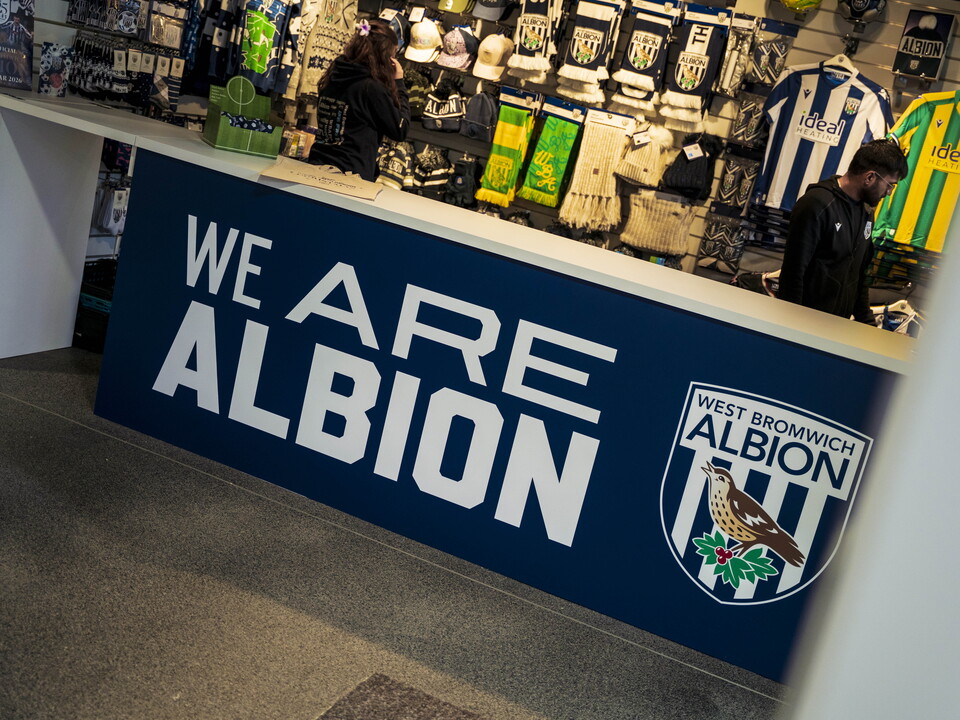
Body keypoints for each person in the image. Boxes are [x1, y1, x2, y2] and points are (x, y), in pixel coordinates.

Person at [777, 139, 908, 322]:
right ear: (870, 177)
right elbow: (793, 274)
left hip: (837, 327)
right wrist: (791, 328)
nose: (888, 192)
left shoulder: (866, 210)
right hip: (803, 326)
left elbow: (859, 275)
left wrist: (867, 325)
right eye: (890, 185)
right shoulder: (817, 204)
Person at [307, 18, 410, 182]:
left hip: (317, 164)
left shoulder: (335, 74)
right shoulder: (371, 88)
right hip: (350, 176)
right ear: (386, 56)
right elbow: (400, 129)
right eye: (394, 54)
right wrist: (399, 83)